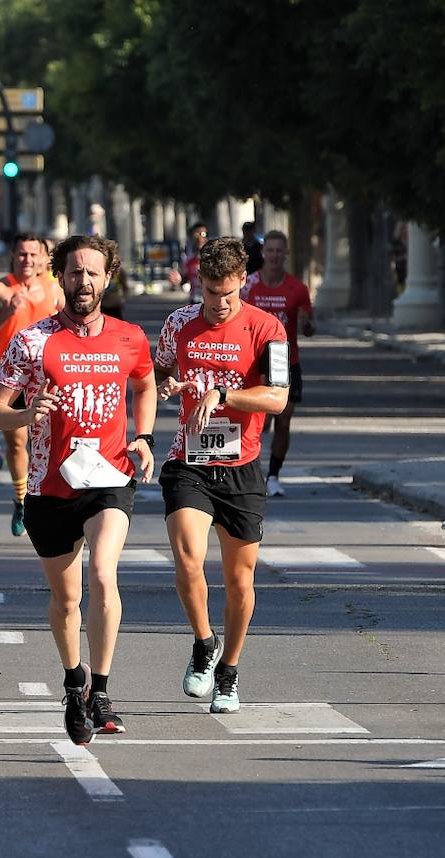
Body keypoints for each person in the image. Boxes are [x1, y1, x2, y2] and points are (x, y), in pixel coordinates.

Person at [0, 235, 157, 743]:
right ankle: (73, 682)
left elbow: (145, 384)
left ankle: (100, 689)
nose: (84, 282)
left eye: (93, 273)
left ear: (109, 278)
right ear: (59, 277)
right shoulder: (32, 341)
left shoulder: (129, 337)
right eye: (75, 272)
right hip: (50, 485)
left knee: (104, 572)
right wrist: (26, 412)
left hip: (109, 477)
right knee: (66, 599)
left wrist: (144, 436)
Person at [153, 236, 289, 714]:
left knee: (239, 580)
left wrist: (223, 396)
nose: (219, 305)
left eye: (228, 295)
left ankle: (228, 673)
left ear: (242, 284)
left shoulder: (267, 329)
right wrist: (166, 383)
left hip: (242, 464)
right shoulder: (179, 324)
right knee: (188, 557)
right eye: (211, 294)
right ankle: (203, 641)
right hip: (188, 459)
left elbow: (277, 399)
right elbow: (157, 373)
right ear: (200, 286)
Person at [0, 232, 64, 536]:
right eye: (22, 254)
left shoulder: (54, 289)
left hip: (49, 377)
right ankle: (22, 499)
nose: (28, 260)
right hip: (12, 377)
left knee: (54, 438)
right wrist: (5, 313)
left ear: (43, 258)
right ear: (13, 256)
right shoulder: (0, 289)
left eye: (33, 255)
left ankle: (50, 495)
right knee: (17, 440)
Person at [244, 230, 314, 496]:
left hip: (286, 361)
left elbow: (309, 326)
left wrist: (308, 324)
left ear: (285, 254)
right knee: (259, 422)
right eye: (269, 250)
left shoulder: (298, 288)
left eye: (279, 251)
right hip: (254, 362)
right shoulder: (249, 285)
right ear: (263, 253)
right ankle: (252, 470)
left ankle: (273, 474)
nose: (274, 256)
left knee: (283, 421)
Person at [168, 222, 209, 305]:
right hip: (194, 302)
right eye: (196, 235)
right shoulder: (188, 260)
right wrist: (178, 280)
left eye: (203, 234)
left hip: (211, 303)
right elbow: (184, 279)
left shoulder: (214, 258)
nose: (199, 238)